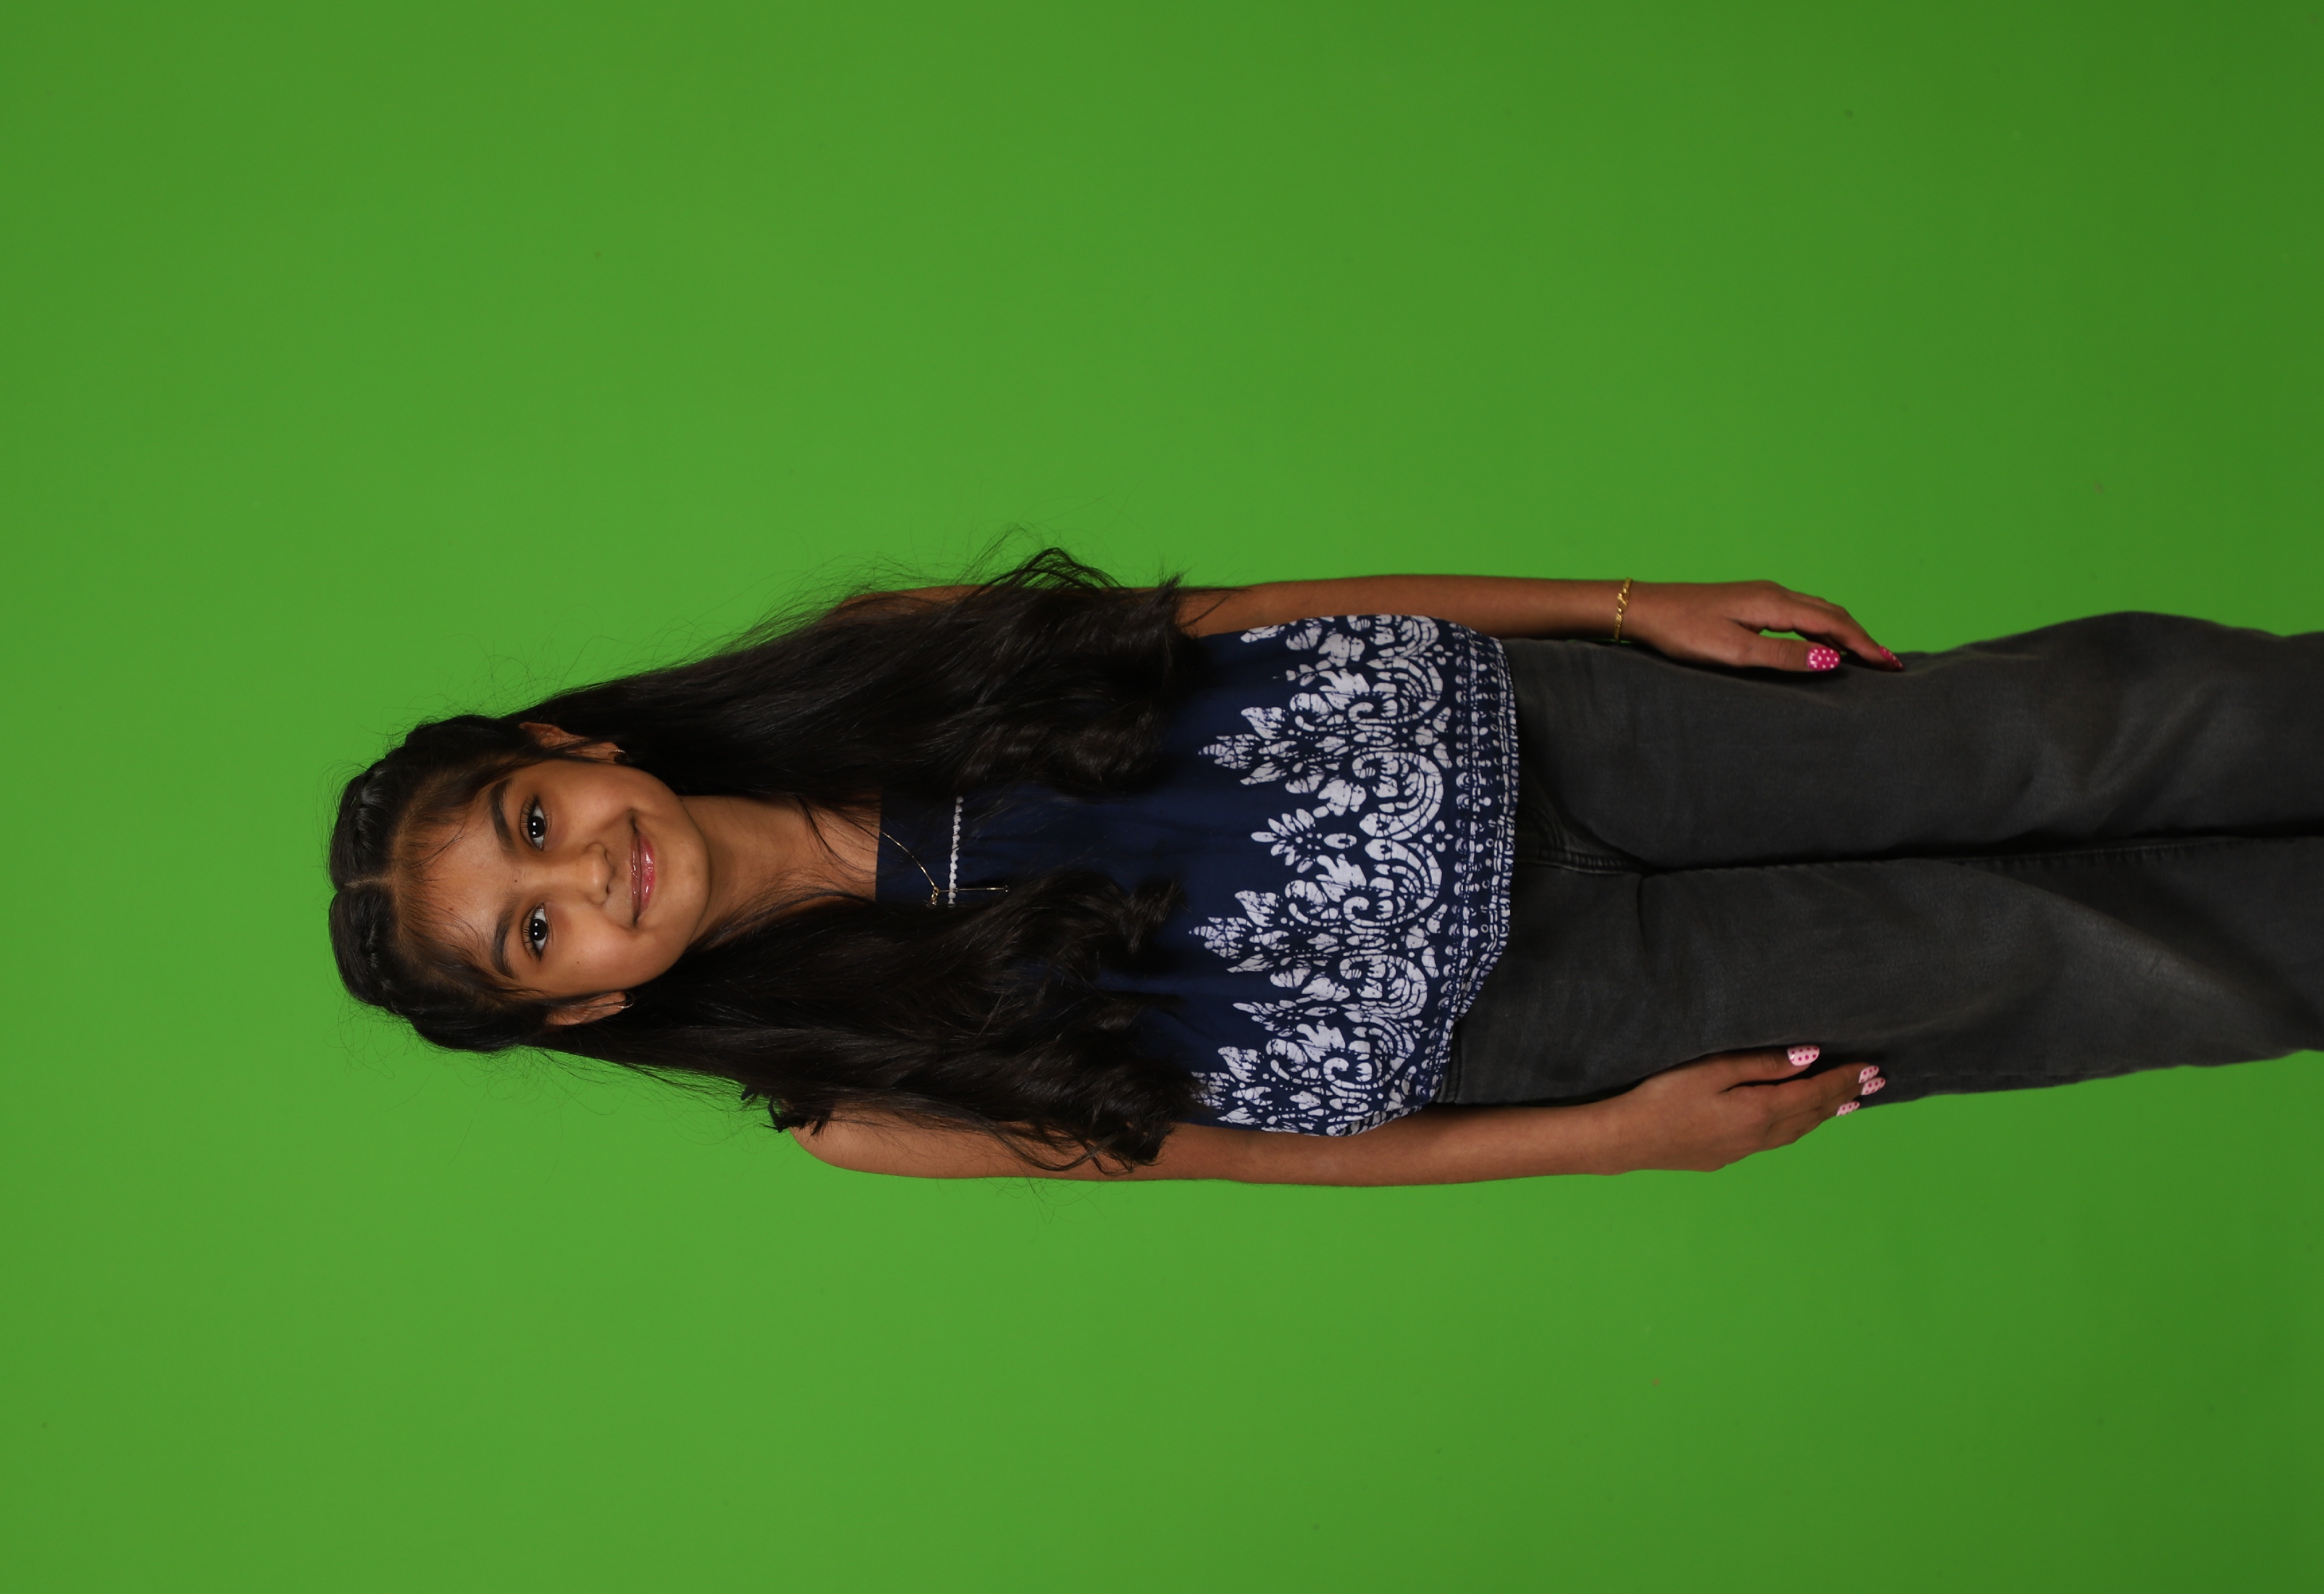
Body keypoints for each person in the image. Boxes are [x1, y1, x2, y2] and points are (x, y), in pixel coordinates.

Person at [326, 551, 2324, 1186]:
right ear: (583, 1000)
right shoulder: (861, 1108)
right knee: (2056, 961)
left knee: (2064, 732)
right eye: (534, 933)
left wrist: (1625, 605)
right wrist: (1616, 1138)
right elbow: (1242, 1162)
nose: (585, 877)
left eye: (531, 822)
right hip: (1551, 1009)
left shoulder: (873, 657)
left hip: (1559, 730)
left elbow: (1243, 608)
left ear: (576, 751)